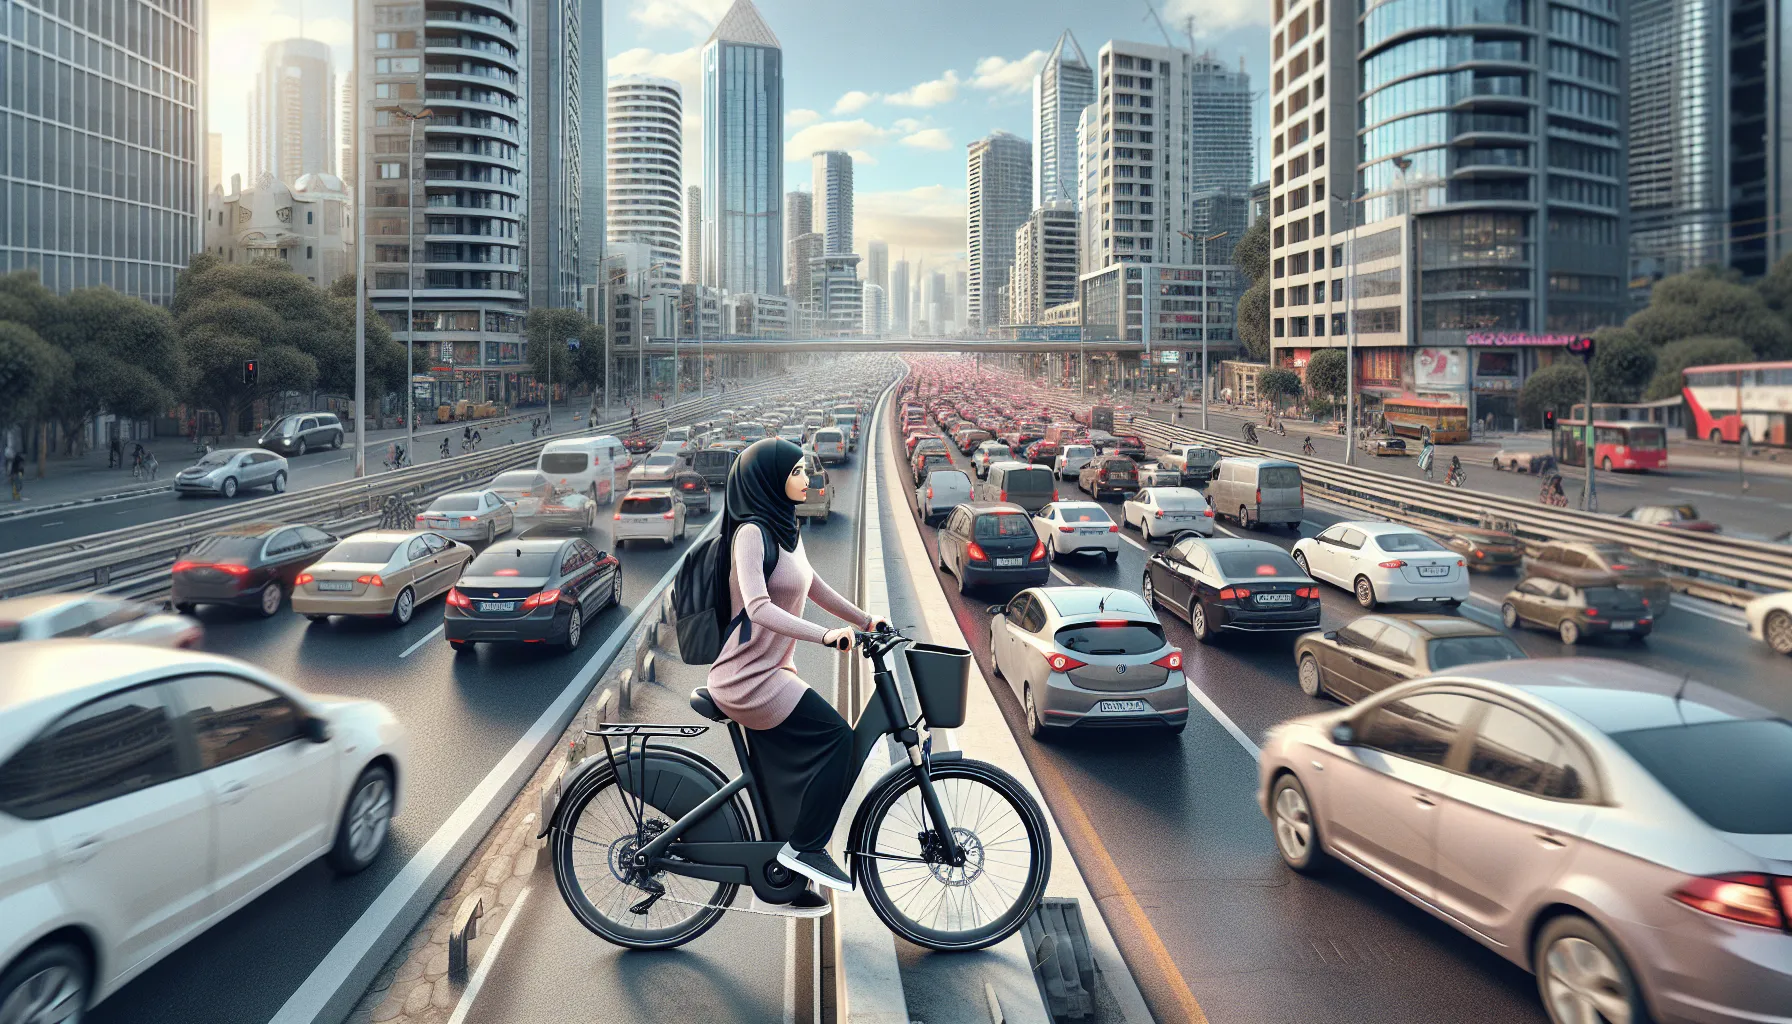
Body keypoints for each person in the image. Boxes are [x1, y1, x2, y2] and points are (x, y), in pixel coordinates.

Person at [705, 438, 887, 915]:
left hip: (774, 671)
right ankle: (805, 848)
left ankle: (785, 873)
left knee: (805, 763)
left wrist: (868, 621)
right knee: (838, 740)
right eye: (799, 471)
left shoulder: (788, 529)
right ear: (770, 479)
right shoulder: (750, 534)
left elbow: (814, 585)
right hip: (746, 678)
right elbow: (758, 607)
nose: (808, 478)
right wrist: (826, 636)